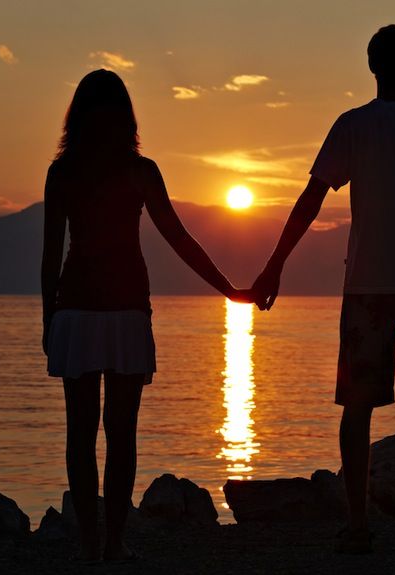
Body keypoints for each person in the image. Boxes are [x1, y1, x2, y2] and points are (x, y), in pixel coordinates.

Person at [251, 24, 395, 553]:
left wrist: (274, 266)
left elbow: (310, 199)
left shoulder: (353, 126)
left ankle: (358, 526)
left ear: (373, 67)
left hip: (369, 289)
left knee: (357, 407)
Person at [41, 69, 254, 564]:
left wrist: (47, 318)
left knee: (82, 432)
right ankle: (110, 542)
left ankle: (94, 544)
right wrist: (228, 290)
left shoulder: (64, 172)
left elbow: (52, 254)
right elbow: (178, 239)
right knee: (120, 433)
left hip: (77, 310)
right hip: (121, 312)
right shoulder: (139, 171)